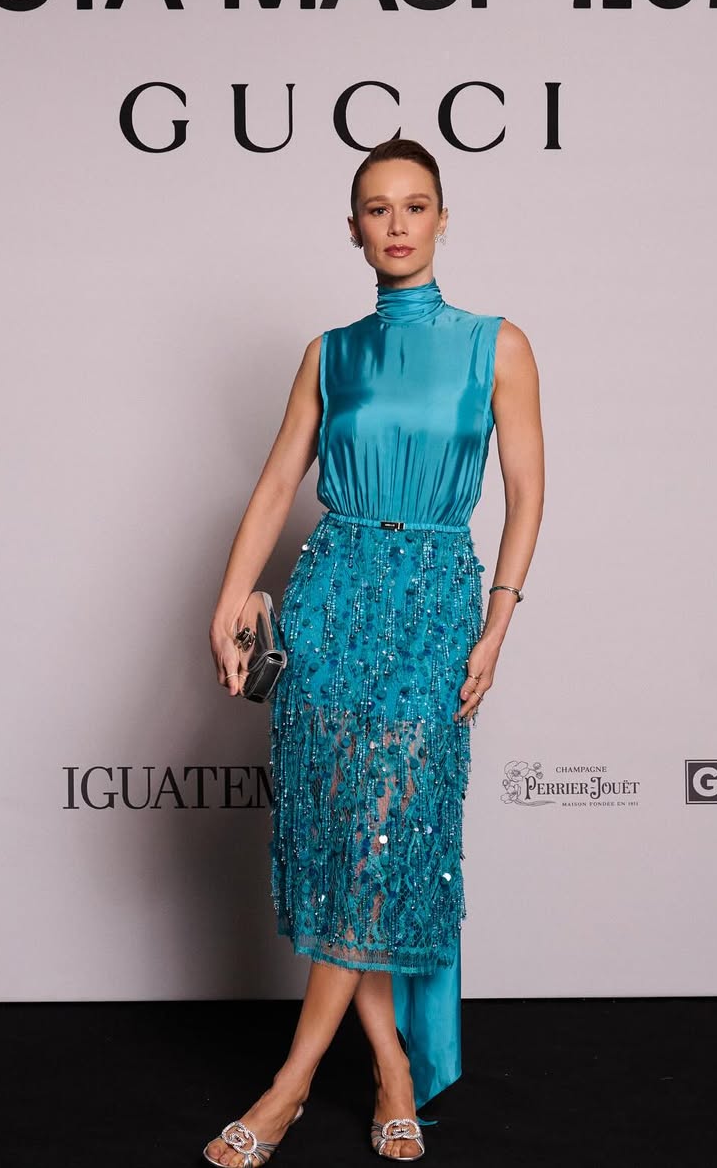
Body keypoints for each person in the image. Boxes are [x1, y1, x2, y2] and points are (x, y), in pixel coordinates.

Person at [204, 138, 544, 1165]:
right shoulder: (330, 352)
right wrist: (230, 598)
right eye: (377, 208)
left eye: (416, 204)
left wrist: (498, 619)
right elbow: (277, 484)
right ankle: (391, 1065)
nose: (397, 223)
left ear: (443, 218)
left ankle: (289, 1085)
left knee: (389, 836)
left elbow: (527, 491)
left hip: (436, 603)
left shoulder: (498, 345)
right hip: (331, 599)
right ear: (353, 229)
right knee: (347, 842)